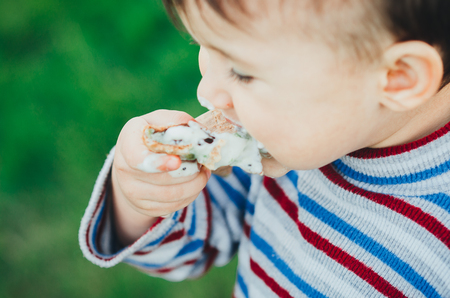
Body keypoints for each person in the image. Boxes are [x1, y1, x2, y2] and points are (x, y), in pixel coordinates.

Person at [79, 0, 450, 296]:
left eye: (242, 71)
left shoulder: (434, 255)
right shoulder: (285, 141)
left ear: (398, 77)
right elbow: (184, 254)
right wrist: (140, 198)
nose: (206, 93)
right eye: (206, 46)